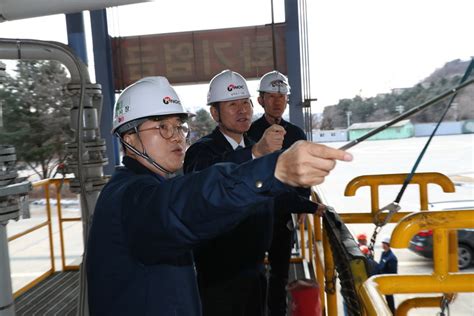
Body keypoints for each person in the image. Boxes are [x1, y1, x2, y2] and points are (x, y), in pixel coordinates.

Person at [85, 75, 352, 316]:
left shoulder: (144, 186)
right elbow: (188, 201)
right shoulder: (131, 197)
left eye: (179, 126)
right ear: (129, 139)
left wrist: (305, 203)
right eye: (163, 127)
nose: (177, 137)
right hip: (221, 277)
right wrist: (272, 168)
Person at [183, 69, 303, 316]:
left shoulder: (252, 146)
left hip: (255, 268)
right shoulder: (201, 151)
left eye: (245, 103)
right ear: (214, 113)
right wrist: (256, 154)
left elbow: (274, 190)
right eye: (232, 104)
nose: (242, 110)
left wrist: (311, 206)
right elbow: (208, 179)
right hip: (220, 275)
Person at [246, 70, 311, 316]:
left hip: (283, 214)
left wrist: (303, 202)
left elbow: (304, 172)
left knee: (280, 273)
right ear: (261, 100)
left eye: (281, 96)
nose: (277, 101)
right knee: (251, 271)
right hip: (253, 214)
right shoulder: (249, 133)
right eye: (271, 96)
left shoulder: (296, 134)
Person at [378, 237, 398, 314]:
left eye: (385, 244)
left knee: (389, 298)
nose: (383, 245)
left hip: (388, 282)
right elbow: (380, 266)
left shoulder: (392, 258)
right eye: (383, 243)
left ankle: (391, 312)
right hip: (382, 280)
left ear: (389, 245)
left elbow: (393, 273)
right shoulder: (384, 254)